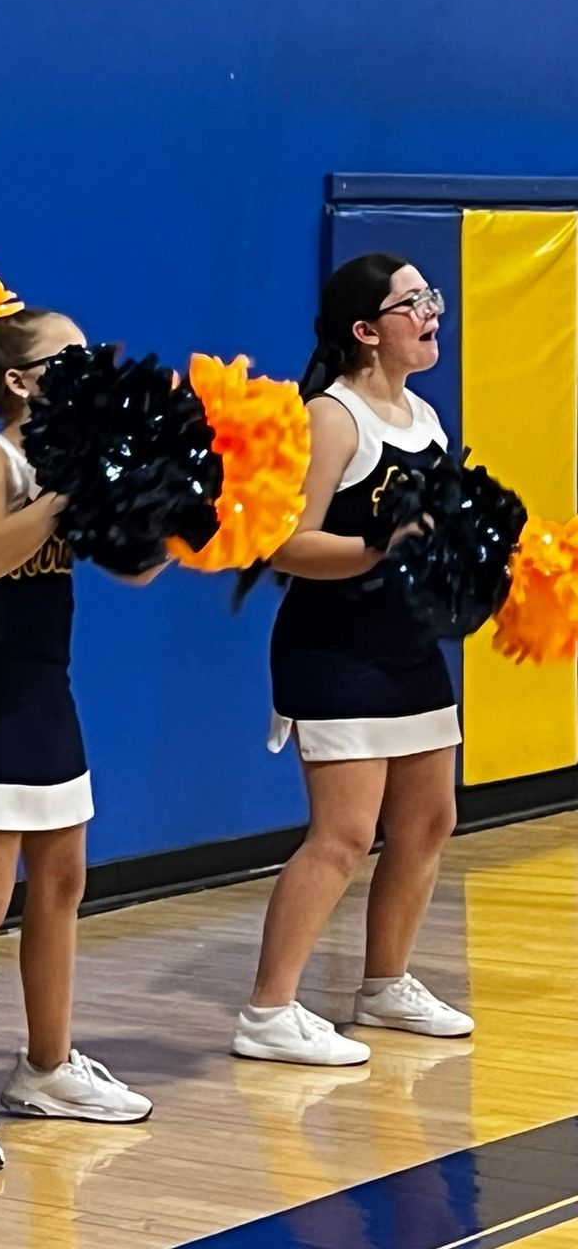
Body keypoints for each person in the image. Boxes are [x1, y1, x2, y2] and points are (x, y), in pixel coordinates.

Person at [0, 312, 159, 1174]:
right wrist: (69, 484)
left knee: (62, 882)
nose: (90, 367)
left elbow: (135, 565)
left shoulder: (63, 464)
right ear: (20, 381)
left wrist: (183, 505)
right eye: (71, 357)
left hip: (50, 695)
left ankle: (46, 1067)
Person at [233, 253, 472, 1066]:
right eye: (413, 303)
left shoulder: (426, 418)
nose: (431, 312)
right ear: (366, 331)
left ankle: (386, 984)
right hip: (335, 653)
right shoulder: (333, 418)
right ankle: (267, 1012)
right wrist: (384, 546)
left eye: (431, 297)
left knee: (430, 821)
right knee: (342, 836)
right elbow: (286, 546)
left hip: (407, 647)